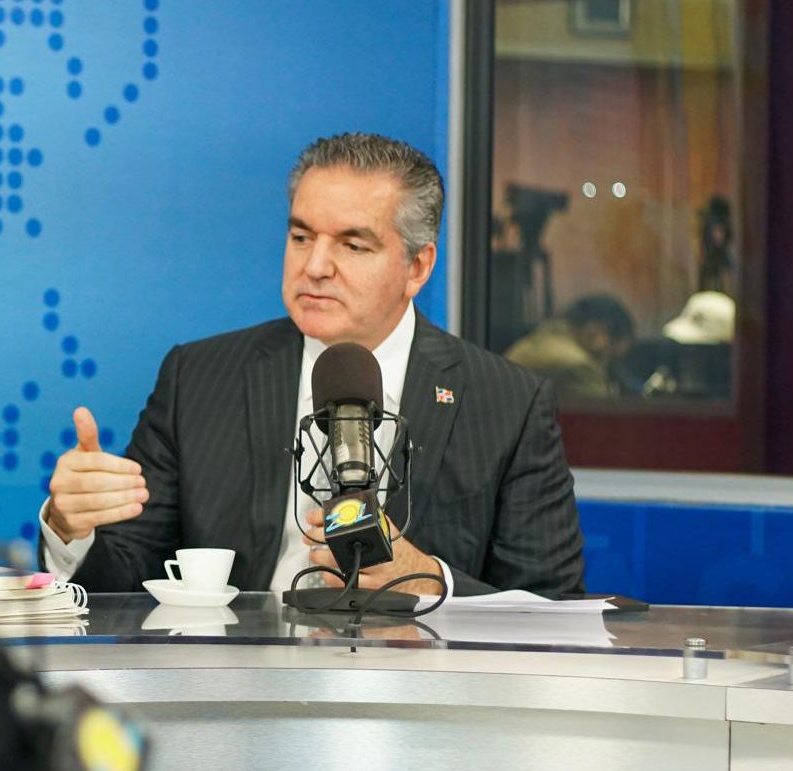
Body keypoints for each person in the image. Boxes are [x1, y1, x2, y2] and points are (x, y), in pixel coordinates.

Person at [39, 133, 585, 598]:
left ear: (417, 267)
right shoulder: (198, 378)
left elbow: (552, 609)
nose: (315, 266)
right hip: (237, 680)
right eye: (301, 237)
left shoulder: (507, 404)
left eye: (353, 246)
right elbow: (124, 585)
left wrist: (430, 581)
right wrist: (72, 529)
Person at [504, 294, 634, 401]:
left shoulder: (538, 341)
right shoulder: (579, 366)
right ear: (599, 331)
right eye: (612, 356)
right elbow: (606, 415)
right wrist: (601, 365)